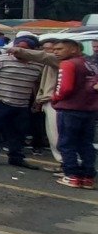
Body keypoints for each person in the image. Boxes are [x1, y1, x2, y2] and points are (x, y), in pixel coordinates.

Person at [6, 35, 98, 187]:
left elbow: (65, 87)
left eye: (59, 49)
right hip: (87, 108)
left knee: (64, 141)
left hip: (68, 107)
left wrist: (55, 98)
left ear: (74, 49)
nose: (54, 52)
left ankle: (71, 173)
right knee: (84, 143)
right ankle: (86, 175)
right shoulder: (89, 63)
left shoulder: (68, 63)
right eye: (52, 49)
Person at [0, 33, 45, 168]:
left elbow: (36, 83)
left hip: (21, 103)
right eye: (17, 47)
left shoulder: (37, 65)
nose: (17, 51)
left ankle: (16, 157)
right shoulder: (1, 59)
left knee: (18, 132)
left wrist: (36, 99)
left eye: (23, 48)